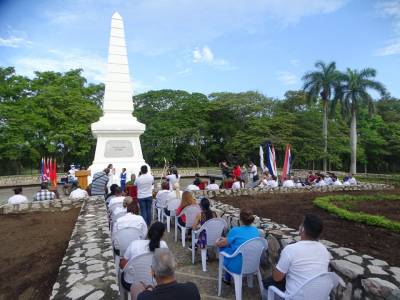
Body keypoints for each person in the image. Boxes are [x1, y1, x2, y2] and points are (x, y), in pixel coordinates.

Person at [263, 214, 331, 296]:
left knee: (267, 286)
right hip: (319, 296)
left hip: (295, 297)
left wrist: (276, 266)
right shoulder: (324, 251)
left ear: (302, 229)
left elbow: (277, 278)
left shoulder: (290, 250)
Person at [119, 222, 168, 292]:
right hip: (156, 283)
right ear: (162, 235)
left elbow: (123, 265)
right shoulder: (164, 246)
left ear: (148, 232)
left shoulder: (134, 244)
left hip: (131, 283)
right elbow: (166, 268)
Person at [134, 248, 200, 300]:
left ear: (152, 271)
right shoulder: (192, 290)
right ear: (174, 266)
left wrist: (148, 290)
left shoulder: (145, 297)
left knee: (136, 285)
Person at [216, 208, 260, 284]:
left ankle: (227, 278)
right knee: (232, 246)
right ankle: (228, 277)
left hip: (238, 267)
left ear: (240, 219)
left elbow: (222, 244)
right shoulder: (256, 231)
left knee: (225, 247)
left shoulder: (235, 230)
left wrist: (217, 242)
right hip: (253, 265)